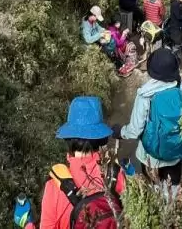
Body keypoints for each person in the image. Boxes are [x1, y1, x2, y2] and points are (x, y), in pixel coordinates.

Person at [38, 96, 126, 229]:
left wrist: (27, 225)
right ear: (101, 138)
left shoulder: (55, 185)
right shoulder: (115, 174)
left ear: (69, 138)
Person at [120, 49, 182, 201]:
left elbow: (135, 131)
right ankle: (173, 212)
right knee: (173, 192)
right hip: (175, 154)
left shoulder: (145, 94)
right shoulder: (180, 89)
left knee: (154, 191)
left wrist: (120, 132)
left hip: (150, 157)